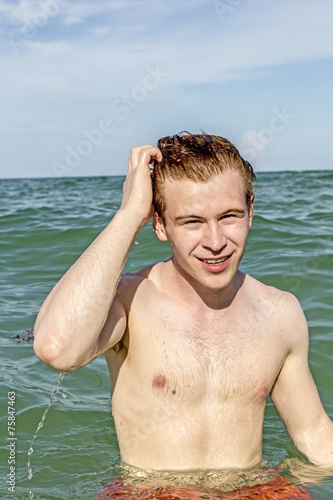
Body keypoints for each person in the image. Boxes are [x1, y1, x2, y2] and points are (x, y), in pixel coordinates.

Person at [33, 133, 333, 482]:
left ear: (251, 210)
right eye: (192, 222)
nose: (216, 242)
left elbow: (314, 436)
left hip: (251, 490)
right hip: (153, 492)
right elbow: (57, 348)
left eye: (229, 216)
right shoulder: (131, 302)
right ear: (159, 224)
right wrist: (130, 213)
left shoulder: (279, 312)